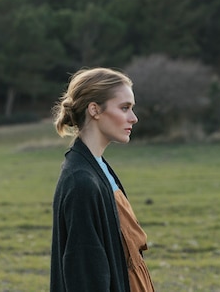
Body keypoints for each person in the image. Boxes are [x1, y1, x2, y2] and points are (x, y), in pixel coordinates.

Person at [50, 66, 155, 292]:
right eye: (124, 108)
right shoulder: (82, 182)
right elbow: (85, 276)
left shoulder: (98, 168)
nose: (134, 118)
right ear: (95, 110)